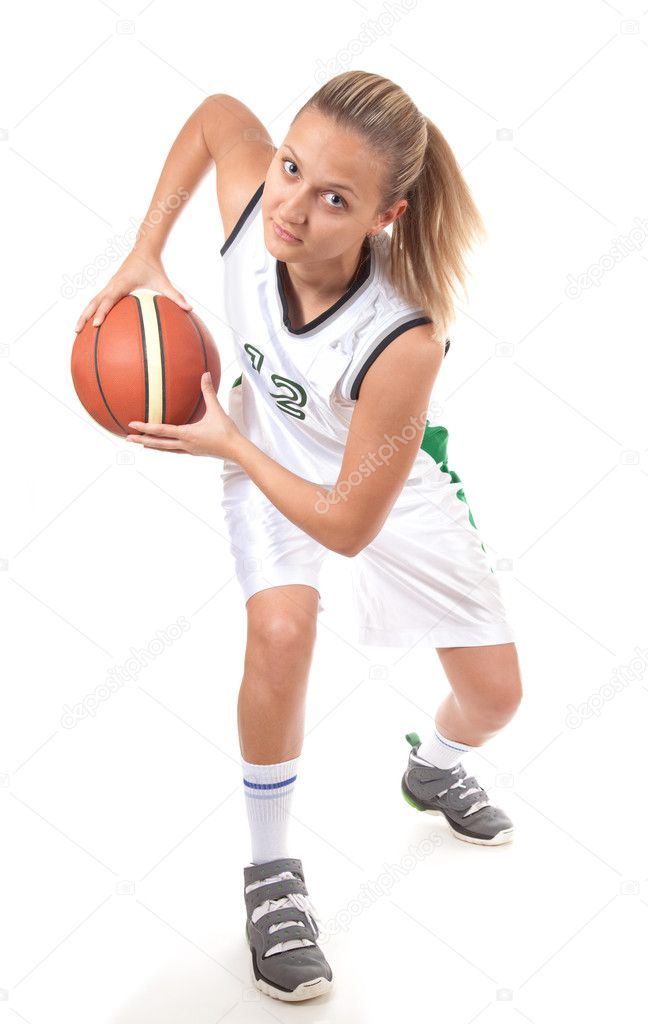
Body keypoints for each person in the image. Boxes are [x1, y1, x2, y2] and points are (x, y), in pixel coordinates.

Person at [74, 71, 523, 1004]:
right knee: (280, 633)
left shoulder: (404, 340)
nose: (293, 206)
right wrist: (145, 253)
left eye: (334, 198)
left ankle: (435, 767)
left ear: (384, 217)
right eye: (290, 167)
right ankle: (273, 878)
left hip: (379, 490)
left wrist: (227, 437)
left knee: (495, 700)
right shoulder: (253, 218)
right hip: (268, 455)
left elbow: (350, 526)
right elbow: (213, 116)